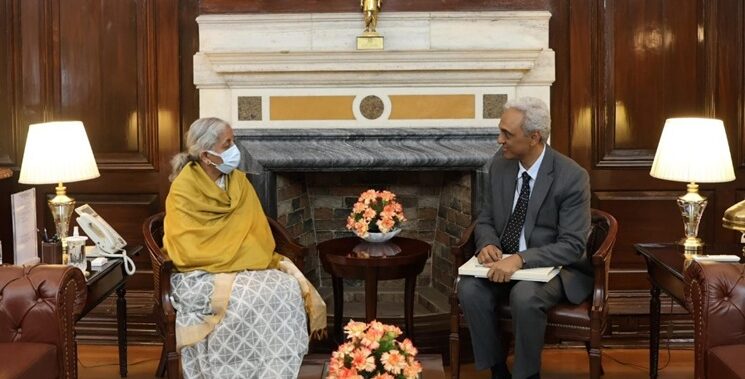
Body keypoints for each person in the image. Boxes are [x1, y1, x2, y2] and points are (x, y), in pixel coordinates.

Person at [163, 117, 326, 379]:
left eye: (233, 141)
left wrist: (241, 259)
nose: (234, 149)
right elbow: (188, 246)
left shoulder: (238, 182)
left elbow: (255, 231)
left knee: (285, 288)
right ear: (207, 155)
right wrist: (234, 260)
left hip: (245, 264)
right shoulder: (184, 189)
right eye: (227, 143)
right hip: (201, 273)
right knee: (245, 299)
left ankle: (274, 370)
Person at [457, 97, 592, 379]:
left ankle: (527, 375)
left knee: (525, 296)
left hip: (554, 268)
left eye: (507, 134)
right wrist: (488, 244)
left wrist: (520, 260)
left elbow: (573, 245)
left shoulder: (571, 177)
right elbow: (486, 218)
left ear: (534, 137)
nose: (499, 140)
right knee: (469, 289)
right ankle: (497, 370)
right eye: (500, 131)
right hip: (503, 260)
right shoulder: (500, 165)